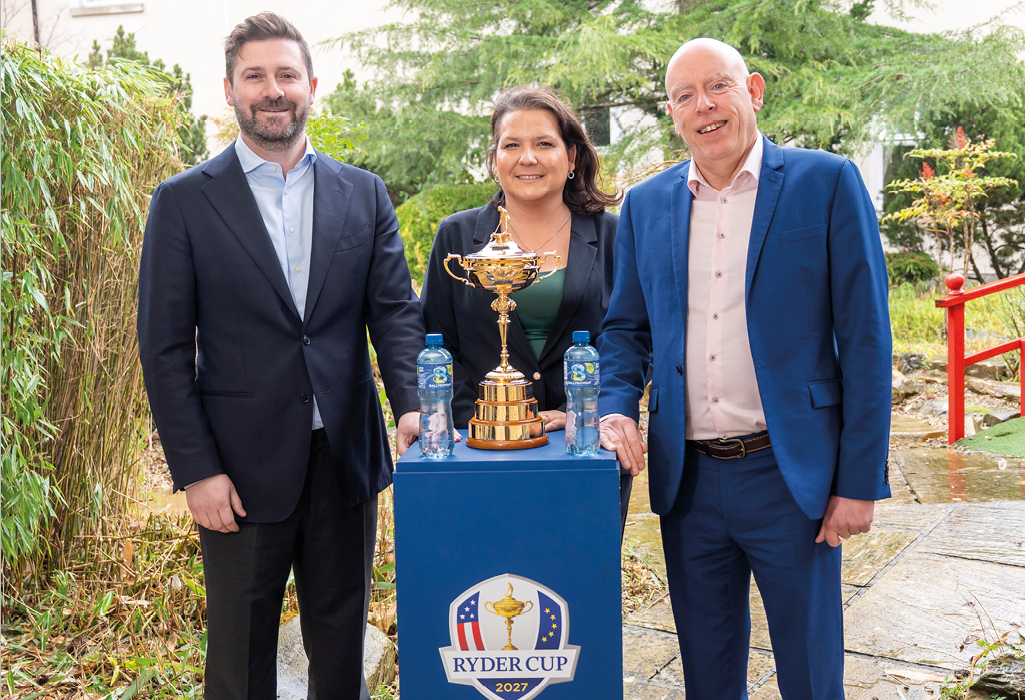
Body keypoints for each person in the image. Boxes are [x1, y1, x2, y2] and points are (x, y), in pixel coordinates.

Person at [136, 13, 424, 700]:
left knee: (340, 649)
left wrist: (412, 406)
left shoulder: (364, 193)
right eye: (256, 76)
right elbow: (165, 347)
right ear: (230, 91)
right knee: (239, 662)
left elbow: (393, 315)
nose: (274, 90)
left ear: (311, 87)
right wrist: (197, 471)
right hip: (237, 474)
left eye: (286, 75)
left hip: (344, 463)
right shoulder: (182, 204)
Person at [597, 38, 891, 699]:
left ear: (752, 90)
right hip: (688, 484)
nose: (703, 106)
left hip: (790, 479)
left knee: (811, 676)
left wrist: (857, 481)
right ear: (671, 112)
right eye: (683, 96)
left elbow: (867, 340)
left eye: (718, 87)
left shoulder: (825, 182)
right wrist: (615, 406)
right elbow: (625, 331)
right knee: (707, 676)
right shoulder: (644, 206)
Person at [420, 86, 635, 527]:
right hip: (477, 451)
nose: (527, 158)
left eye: (544, 144)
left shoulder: (614, 234)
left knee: (577, 587)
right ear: (494, 158)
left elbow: (627, 338)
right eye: (512, 145)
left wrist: (582, 413)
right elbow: (437, 339)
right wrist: (477, 424)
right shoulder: (457, 238)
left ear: (572, 157)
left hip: (583, 453)